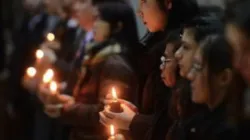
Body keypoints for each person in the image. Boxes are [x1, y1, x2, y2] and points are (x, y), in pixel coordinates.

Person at [39, 2, 138, 140]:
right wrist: (70, 101)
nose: (95, 24)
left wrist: (67, 109)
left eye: (99, 19)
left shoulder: (115, 64)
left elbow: (107, 111)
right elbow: (90, 99)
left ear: (117, 26)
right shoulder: (100, 55)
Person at [186, 34, 241, 140]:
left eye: (198, 67)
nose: (190, 76)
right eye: (193, 66)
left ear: (224, 77)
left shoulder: (228, 132)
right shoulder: (198, 122)